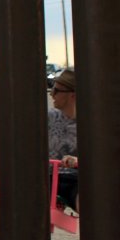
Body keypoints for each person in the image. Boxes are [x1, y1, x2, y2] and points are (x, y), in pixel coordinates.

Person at [47, 69, 78, 211]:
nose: (51, 94)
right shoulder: (48, 117)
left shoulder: (93, 125)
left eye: (56, 90)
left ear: (72, 95)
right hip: (47, 179)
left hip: (75, 181)